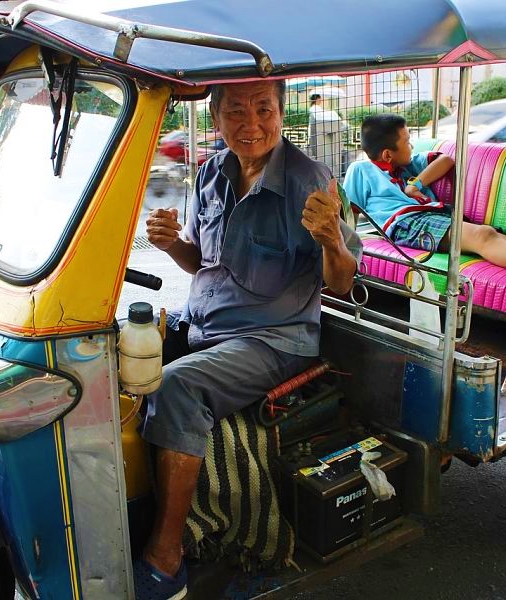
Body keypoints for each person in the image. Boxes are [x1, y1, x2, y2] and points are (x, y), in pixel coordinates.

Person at [139, 80, 361, 600]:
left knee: (174, 387)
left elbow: (342, 282)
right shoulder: (213, 171)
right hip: (206, 328)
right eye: (235, 111)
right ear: (216, 119)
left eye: (264, 109)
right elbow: (204, 262)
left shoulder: (312, 181)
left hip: (273, 340)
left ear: (282, 116)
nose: (251, 123)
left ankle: (165, 560)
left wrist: (331, 239)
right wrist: (174, 246)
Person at [343, 113, 506, 287]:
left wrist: (416, 184)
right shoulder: (362, 170)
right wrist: (350, 251)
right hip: (406, 224)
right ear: (388, 154)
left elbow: (445, 160)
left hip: (434, 216)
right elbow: (348, 212)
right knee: (483, 236)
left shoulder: (409, 167)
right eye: (408, 142)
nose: (412, 147)